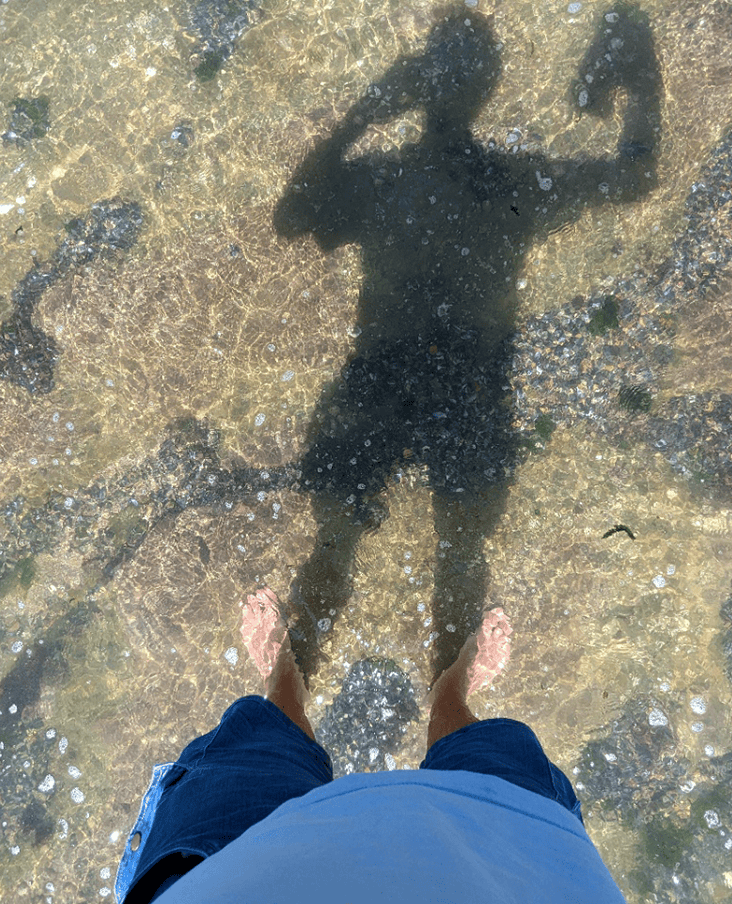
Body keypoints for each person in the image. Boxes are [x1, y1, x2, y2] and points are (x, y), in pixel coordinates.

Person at [272, 5, 661, 685]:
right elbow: (635, 177)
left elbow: (291, 216)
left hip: (378, 379)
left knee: (331, 551)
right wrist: (640, 74)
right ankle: (449, 717)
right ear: (489, 88)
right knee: (460, 557)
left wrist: (364, 112)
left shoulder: (379, 183)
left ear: (418, 88)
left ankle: (280, 711)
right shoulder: (513, 186)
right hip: (473, 387)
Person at [114, 589, 627, 902]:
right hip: (521, 871)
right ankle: (450, 690)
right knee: (485, 751)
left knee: (264, 738)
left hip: (221, 878)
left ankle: (283, 677)